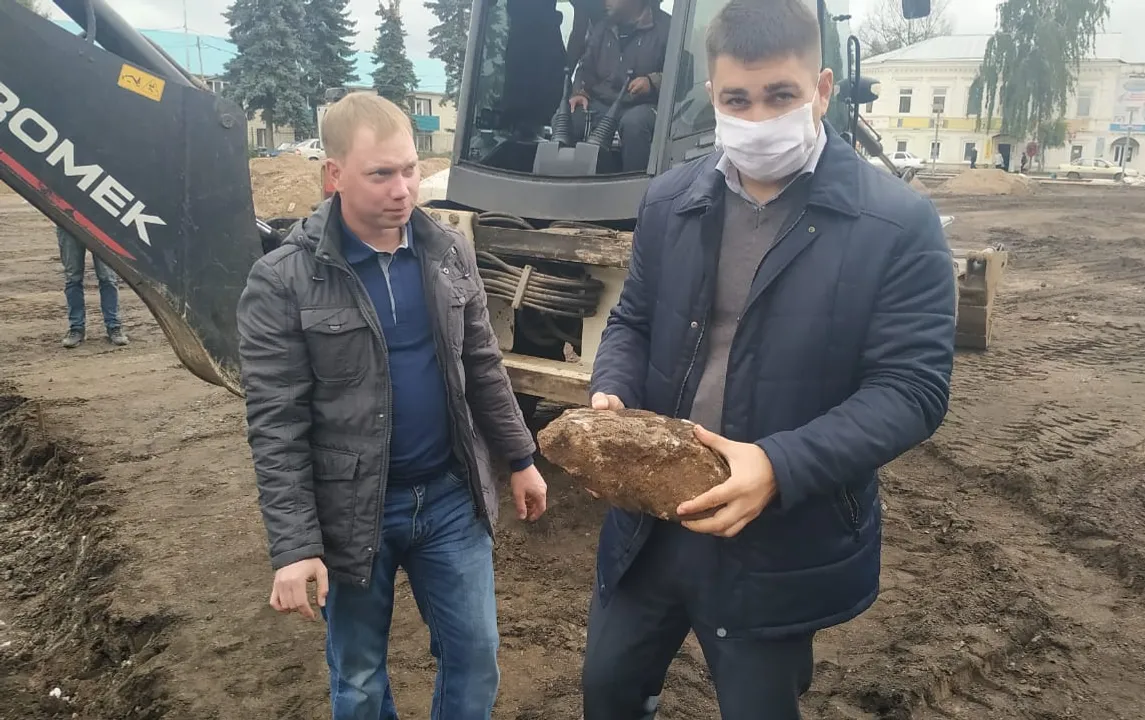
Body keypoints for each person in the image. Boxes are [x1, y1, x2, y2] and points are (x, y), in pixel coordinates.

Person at [581, 1, 956, 718]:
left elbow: (912, 389)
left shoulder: (896, 225)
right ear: (712, 96)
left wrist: (779, 467)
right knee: (608, 688)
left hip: (778, 539)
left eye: (780, 96)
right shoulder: (670, 201)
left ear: (822, 89)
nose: (757, 118)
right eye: (737, 100)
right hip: (652, 523)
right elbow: (633, 320)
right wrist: (613, 389)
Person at [236, 91, 549, 720]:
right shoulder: (283, 282)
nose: (402, 190)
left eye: (409, 170)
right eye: (380, 174)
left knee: (476, 655)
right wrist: (295, 546)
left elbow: (481, 366)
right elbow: (277, 425)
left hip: (450, 498)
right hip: (354, 512)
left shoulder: (448, 252)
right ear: (334, 175)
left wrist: (520, 458)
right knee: (357, 678)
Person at [569, 0, 671, 172]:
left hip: (645, 106)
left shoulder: (667, 29)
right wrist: (579, 92)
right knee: (569, 115)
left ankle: (637, 185)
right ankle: (568, 182)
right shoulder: (602, 28)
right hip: (603, 105)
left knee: (634, 124)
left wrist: (652, 82)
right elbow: (585, 68)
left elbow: (684, 74)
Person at [56, 225, 128, 348]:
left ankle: (114, 326)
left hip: (101, 224)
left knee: (108, 278)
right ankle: (76, 328)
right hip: (68, 224)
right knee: (73, 278)